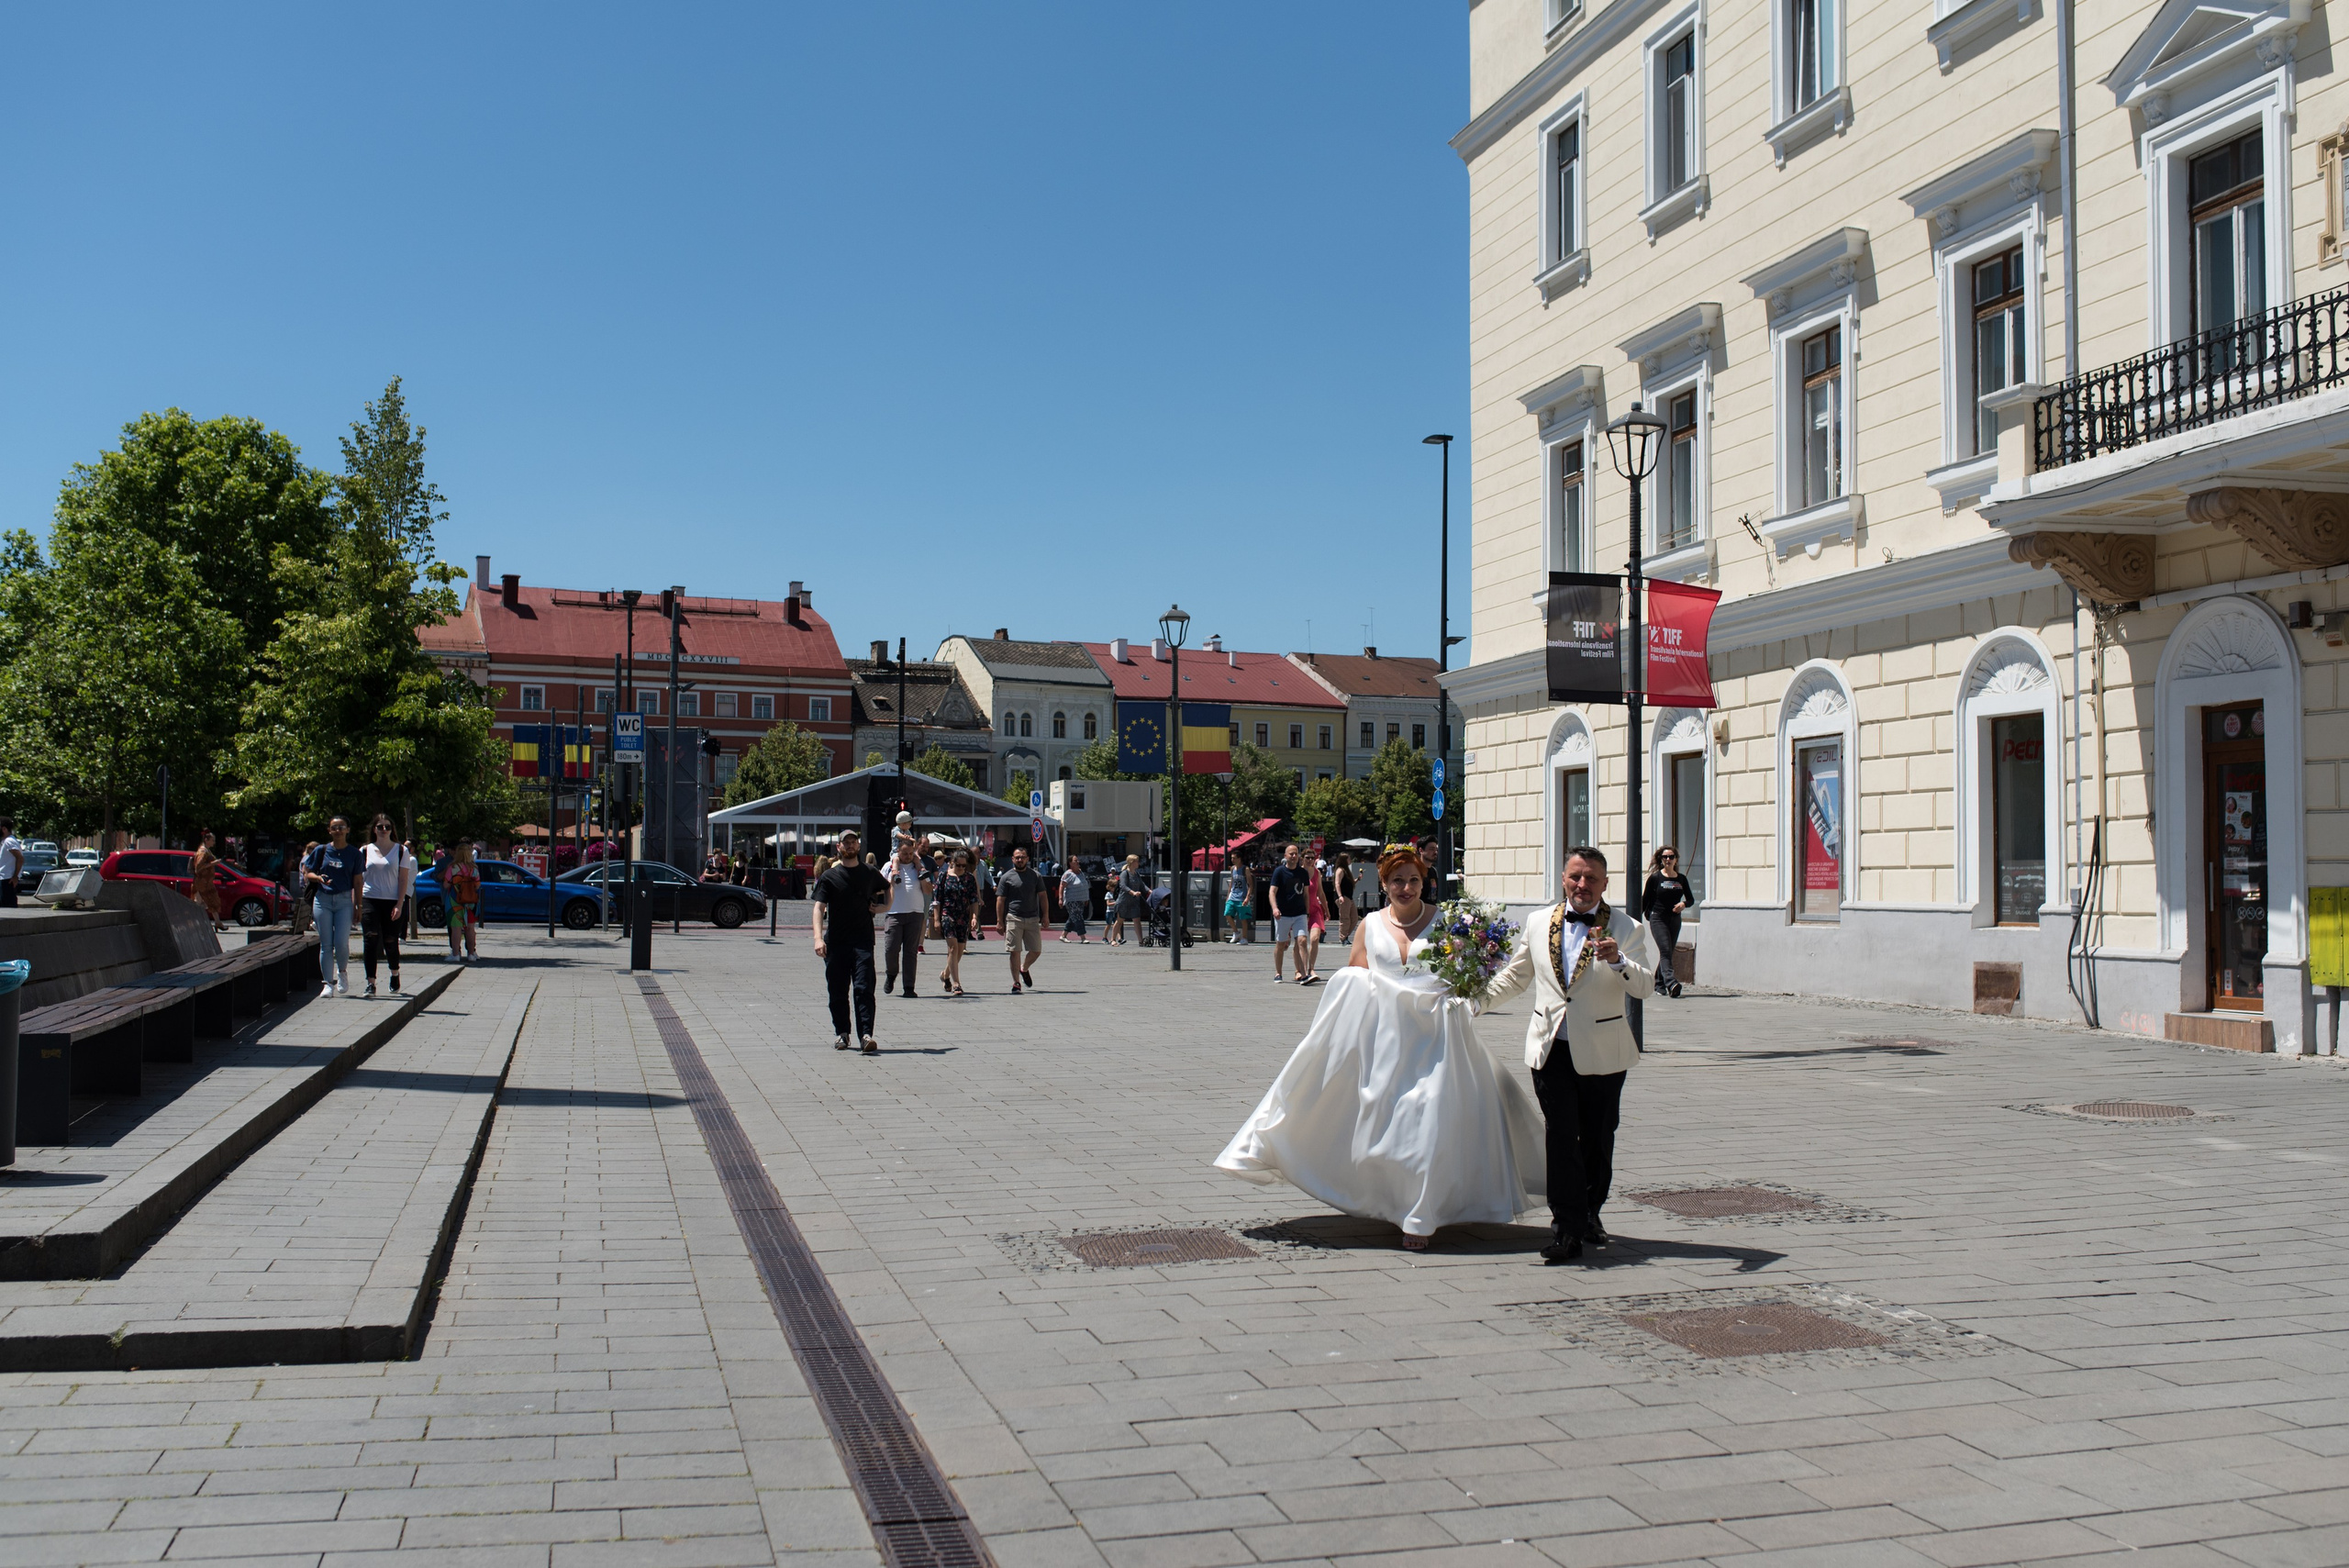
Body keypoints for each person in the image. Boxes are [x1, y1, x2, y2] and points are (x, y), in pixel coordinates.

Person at [1216, 847, 1545, 1251]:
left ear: (1425, 883)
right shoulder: (1370, 925)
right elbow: (1355, 977)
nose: (1405, 888)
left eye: (1413, 880)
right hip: (1386, 1043)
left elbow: (1471, 976)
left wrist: (1467, 997)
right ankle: (1392, 1200)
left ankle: (1420, 1217)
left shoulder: (1448, 924)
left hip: (1436, 1040)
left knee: (1427, 1122)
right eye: (1397, 881)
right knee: (1387, 1128)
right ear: (1384, 884)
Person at [1482, 845, 1656, 1264]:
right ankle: (1566, 1230)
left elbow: (1646, 986)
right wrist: (1472, 1002)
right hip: (1550, 1047)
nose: (1582, 885)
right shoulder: (1540, 921)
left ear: (1605, 884)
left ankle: (1591, 1210)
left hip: (1603, 1051)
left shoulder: (1627, 926)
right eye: (1576, 877)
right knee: (1561, 1136)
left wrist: (1619, 961)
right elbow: (1516, 976)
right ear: (1563, 878)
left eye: (1591, 878)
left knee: (1597, 1138)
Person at [812, 829, 890, 1051]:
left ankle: (866, 1035)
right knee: (837, 990)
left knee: (864, 989)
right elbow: (819, 908)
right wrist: (818, 938)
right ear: (839, 847)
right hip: (836, 943)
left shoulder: (869, 872)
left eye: (853, 842)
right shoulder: (829, 877)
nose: (849, 846)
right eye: (845, 843)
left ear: (858, 845)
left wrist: (886, 907)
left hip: (863, 942)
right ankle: (842, 1034)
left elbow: (887, 887)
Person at [356, 816, 415, 998]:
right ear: (374, 829)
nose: (383, 829)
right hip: (369, 899)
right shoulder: (365, 851)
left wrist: (399, 903)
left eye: (387, 827)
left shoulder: (400, 851)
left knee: (390, 941)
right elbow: (358, 880)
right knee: (370, 939)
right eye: (380, 826)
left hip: (391, 900)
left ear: (392, 829)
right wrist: (356, 904)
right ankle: (371, 983)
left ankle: (394, 973)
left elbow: (403, 879)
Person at [302, 818, 362, 995]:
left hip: (344, 900)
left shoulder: (354, 854)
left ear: (347, 830)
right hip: (323, 899)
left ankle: (342, 972)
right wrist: (319, 878)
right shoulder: (322, 850)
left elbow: (358, 881)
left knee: (341, 942)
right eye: (334, 828)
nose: (338, 830)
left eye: (341, 827)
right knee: (326, 944)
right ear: (329, 830)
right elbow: (308, 872)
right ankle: (327, 983)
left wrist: (358, 905)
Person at [881, 838, 931, 999]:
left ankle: (909, 987)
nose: (908, 856)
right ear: (898, 852)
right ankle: (891, 973)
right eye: (904, 853)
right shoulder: (889, 866)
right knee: (891, 949)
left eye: (911, 853)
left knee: (910, 952)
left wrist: (922, 876)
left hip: (915, 914)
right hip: (894, 913)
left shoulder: (919, 868)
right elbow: (880, 886)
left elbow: (928, 891)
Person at [1642, 847, 1693, 1000]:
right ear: (1661, 860)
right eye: (1665, 857)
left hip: (1674, 920)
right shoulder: (1655, 878)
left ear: (1676, 859)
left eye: (1671, 857)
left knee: (1668, 952)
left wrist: (1683, 905)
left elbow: (1690, 899)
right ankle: (1671, 983)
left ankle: (1659, 983)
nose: (1668, 860)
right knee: (1665, 950)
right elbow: (1645, 900)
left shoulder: (1681, 879)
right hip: (1658, 919)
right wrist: (1637, 919)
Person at [996, 846, 1048, 992]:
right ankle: (1016, 983)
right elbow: (1000, 900)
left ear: (1027, 859)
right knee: (1015, 951)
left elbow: (1043, 896)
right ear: (1012, 859)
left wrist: (1046, 915)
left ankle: (1024, 968)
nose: (1020, 860)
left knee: (1036, 950)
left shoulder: (1035, 876)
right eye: (1017, 857)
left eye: (1022, 857)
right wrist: (999, 921)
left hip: (1032, 919)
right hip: (1014, 918)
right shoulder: (1006, 877)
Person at [934, 849, 977, 996]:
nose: (961, 868)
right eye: (958, 865)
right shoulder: (944, 876)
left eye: (964, 866)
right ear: (952, 863)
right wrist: (936, 919)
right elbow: (937, 900)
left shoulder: (969, 878)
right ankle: (956, 983)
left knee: (959, 950)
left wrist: (974, 917)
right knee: (952, 948)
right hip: (948, 915)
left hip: (963, 917)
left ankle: (945, 974)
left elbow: (973, 900)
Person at [1269, 843, 1313, 983]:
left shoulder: (1303, 873)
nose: (1294, 856)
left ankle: (1304, 973)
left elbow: (1306, 894)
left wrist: (1307, 912)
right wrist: (1275, 908)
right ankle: (1278, 973)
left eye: (1296, 854)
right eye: (1291, 854)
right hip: (1283, 914)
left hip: (1299, 913)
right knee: (1281, 944)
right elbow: (1272, 892)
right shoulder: (1279, 872)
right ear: (1285, 856)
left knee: (1302, 940)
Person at [445, 841, 482, 963]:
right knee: (470, 929)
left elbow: (446, 884)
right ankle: (471, 954)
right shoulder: (474, 868)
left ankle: (455, 954)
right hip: (470, 903)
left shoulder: (453, 867)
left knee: (456, 928)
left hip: (455, 901)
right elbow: (477, 886)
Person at [1298, 855, 1329, 980]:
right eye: (1307, 857)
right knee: (1300, 942)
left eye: (1312, 858)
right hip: (1300, 910)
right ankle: (1300, 970)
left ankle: (1311, 969)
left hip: (1315, 909)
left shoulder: (1317, 873)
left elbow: (1320, 892)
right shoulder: (1298, 872)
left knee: (1315, 939)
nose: (1310, 860)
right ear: (1303, 859)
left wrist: (1326, 910)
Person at [1109, 853, 1147, 946]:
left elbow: (1142, 885)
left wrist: (1149, 891)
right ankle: (1113, 939)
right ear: (1132, 862)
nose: (1138, 863)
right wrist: (1133, 892)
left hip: (1134, 901)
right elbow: (1123, 886)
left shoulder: (1136, 874)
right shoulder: (1124, 873)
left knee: (1137, 920)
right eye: (1137, 861)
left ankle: (1140, 941)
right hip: (1124, 901)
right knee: (1120, 920)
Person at [191, 829, 224, 930]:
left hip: (206, 882)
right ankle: (195, 924)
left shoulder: (207, 850)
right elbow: (198, 868)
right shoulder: (202, 851)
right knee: (203, 903)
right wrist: (214, 863)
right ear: (206, 840)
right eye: (212, 840)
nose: (214, 842)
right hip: (202, 883)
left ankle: (217, 923)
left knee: (209, 902)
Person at [1222, 855, 1253, 943]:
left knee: (1243, 918)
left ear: (1239, 859)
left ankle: (1244, 938)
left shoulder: (1245, 869)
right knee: (1227, 914)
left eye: (1234, 858)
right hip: (1233, 895)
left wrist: (1247, 897)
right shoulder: (1232, 869)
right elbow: (1232, 882)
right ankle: (1236, 932)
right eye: (1231, 858)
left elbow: (1250, 884)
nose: (1232, 860)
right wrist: (1228, 895)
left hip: (1242, 896)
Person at [1059, 860, 1090, 942]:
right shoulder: (1068, 874)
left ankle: (1063, 935)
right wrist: (1060, 899)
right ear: (1070, 863)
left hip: (1081, 900)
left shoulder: (1081, 872)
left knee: (1073, 918)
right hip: (1072, 900)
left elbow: (1084, 885)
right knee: (1078, 917)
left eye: (1078, 860)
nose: (1078, 861)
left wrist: (1086, 898)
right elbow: (1062, 886)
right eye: (1075, 860)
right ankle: (1083, 937)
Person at [1333, 851, 1358, 941]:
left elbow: (1349, 884)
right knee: (1345, 918)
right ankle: (1343, 938)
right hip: (1343, 897)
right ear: (1344, 860)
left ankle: (1346, 935)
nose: (1350, 860)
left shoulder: (1346, 870)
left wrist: (1358, 879)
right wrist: (1340, 896)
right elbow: (1337, 883)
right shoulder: (1340, 870)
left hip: (1349, 897)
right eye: (1348, 859)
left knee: (1354, 918)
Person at [0, 817, 22, 909]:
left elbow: (20, 858)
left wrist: (15, 876)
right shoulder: (5, 841)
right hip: (4, 878)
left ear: (4, 829)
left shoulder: (9, 841)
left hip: (7, 880)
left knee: (8, 908)